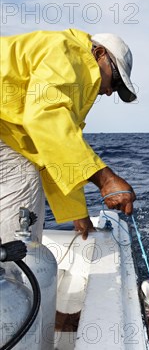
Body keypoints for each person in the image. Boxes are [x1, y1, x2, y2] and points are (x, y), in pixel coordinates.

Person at [0, 29, 137, 242]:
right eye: (116, 80)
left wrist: (77, 212)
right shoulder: (69, 54)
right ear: (99, 53)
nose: (110, 91)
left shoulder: (67, 63)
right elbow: (45, 119)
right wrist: (106, 180)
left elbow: (50, 148)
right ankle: (12, 271)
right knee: (25, 179)